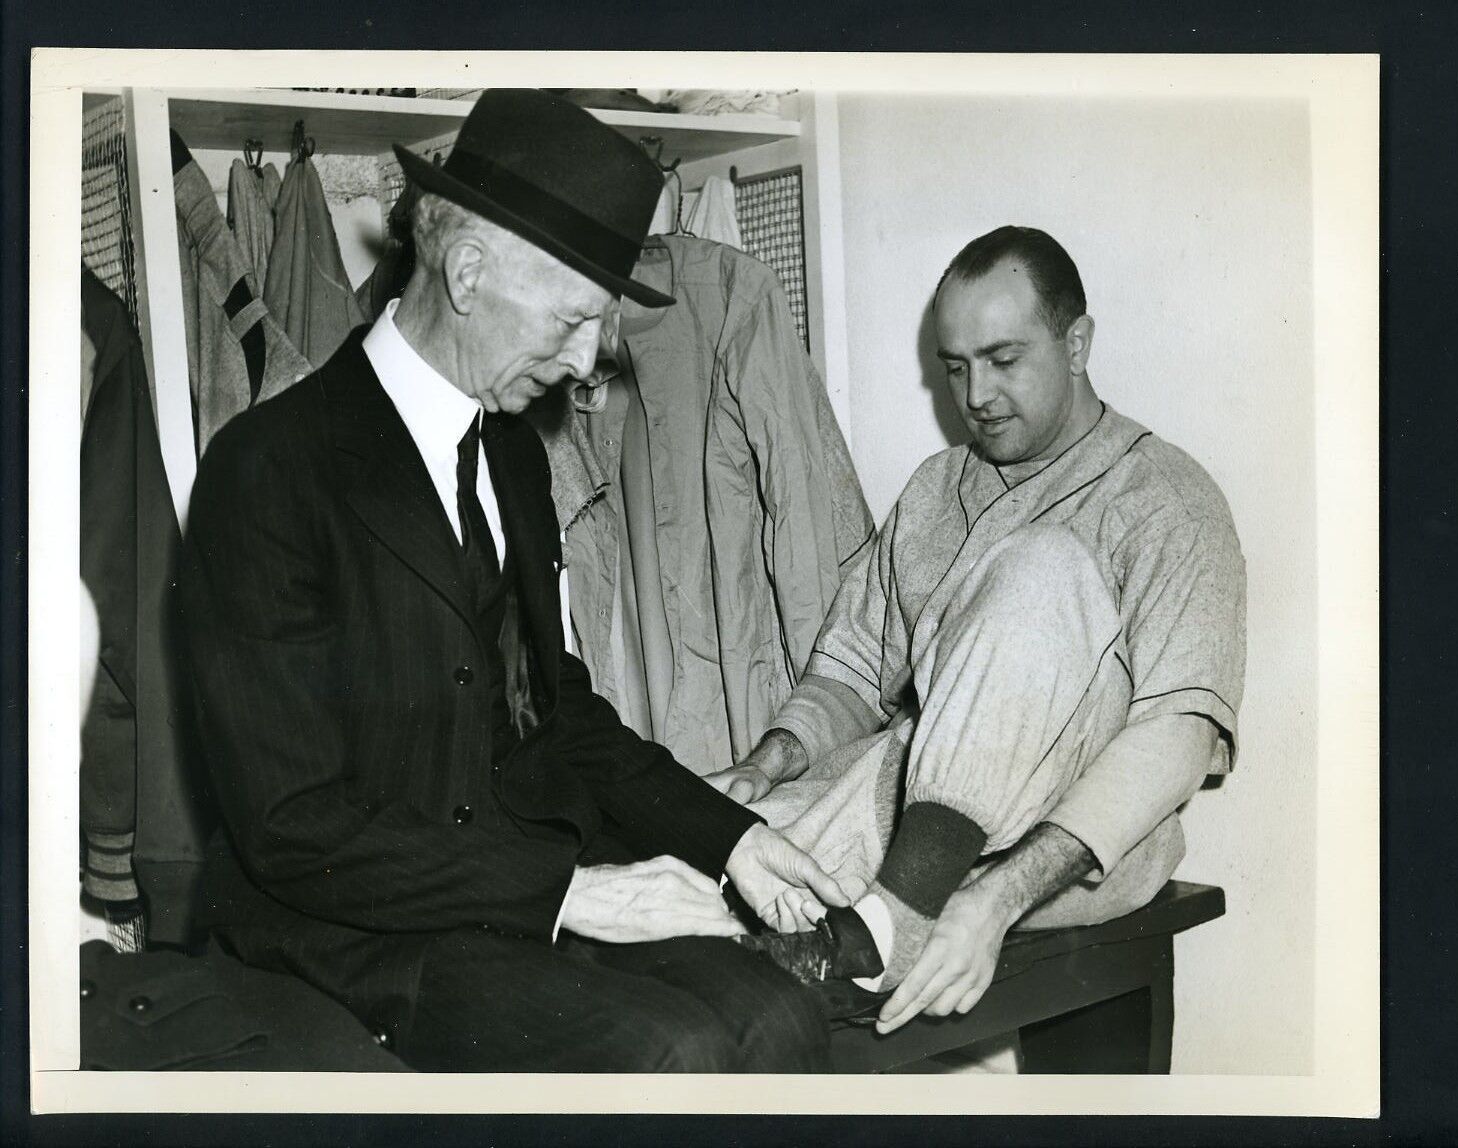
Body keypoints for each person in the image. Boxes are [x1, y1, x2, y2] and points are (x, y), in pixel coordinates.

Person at [179, 88, 847, 1073]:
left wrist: (733, 836)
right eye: (573, 319)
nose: (586, 364)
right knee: (673, 1047)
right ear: (467, 269)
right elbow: (289, 826)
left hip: (514, 879)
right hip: (351, 920)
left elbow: (561, 714)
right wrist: (569, 892)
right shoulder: (266, 469)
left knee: (780, 1014)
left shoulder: (513, 457)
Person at [712, 225, 1247, 1036]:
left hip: (1069, 857)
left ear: (1077, 343)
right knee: (687, 858)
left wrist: (991, 905)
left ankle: (889, 922)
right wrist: (766, 764)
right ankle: (874, 917)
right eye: (956, 368)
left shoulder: (1166, 498)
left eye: (1003, 359)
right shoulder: (936, 488)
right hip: (912, 819)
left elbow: (1178, 735)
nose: (977, 395)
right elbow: (854, 669)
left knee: (1041, 566)